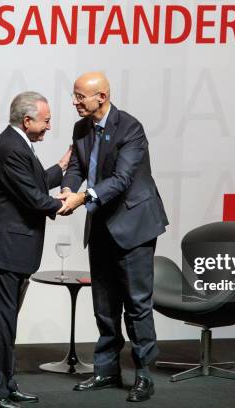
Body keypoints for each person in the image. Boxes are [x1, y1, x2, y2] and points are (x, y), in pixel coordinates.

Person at [58, 72, 169, 402]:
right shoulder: (81, 128)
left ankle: (144, 374)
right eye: (75, 96)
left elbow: (121, 180)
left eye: (80, 97)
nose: (75, 102)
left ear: (101, 98)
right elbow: (78, 166)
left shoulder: (130, 128)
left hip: (134, 226)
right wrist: (68, 188)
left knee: (136, 304)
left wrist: (82, 199)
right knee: (104, 304)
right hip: (101, 224)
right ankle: (106, 370)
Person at [0, 91, 71, 408]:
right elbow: (34, 197)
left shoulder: (17, 144)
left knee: (7, 324)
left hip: (12, 251)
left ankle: (6, 384)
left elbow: (35, 181)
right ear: (27, 120)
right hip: (4, 251)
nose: (48, 127)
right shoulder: (10, 147)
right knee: (0, 324)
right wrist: (71, 202)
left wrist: (60, 166)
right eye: (46, 121)